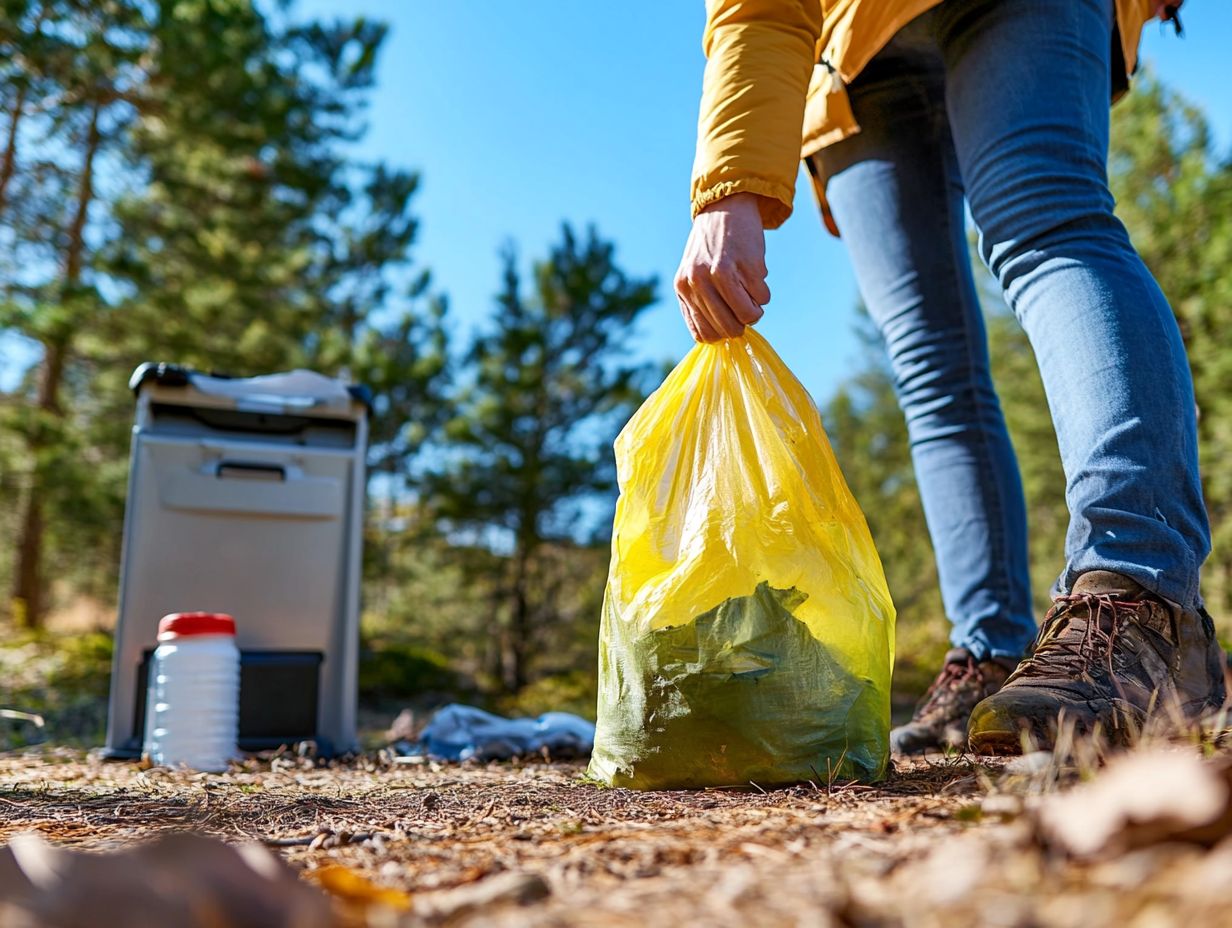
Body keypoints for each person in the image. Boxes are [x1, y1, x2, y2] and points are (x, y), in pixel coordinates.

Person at [674, 0, 1226, 754]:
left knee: (1046, 225)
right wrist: (729, 186)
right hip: (852, 61)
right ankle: (990, 652)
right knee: (930, 362)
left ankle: (1137, 602)